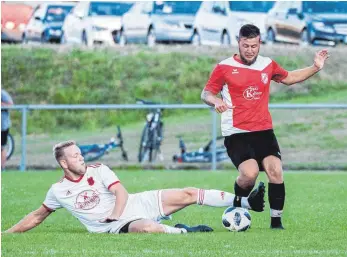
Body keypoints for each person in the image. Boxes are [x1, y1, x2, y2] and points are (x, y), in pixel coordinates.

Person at [201, 24, 329, 229]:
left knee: (275, 171)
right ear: (238, 43)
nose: (250, 50)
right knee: (250, 174)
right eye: (245, 45)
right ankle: (239, 204)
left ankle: (276, 223)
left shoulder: (267, 64)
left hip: (263, 131)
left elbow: (290, 78)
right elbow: (206, 93)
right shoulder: (224, 67)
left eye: (254, 45)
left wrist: (315, 67)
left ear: (259, 43)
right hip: (237, 132)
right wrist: (215, 101)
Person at [4, 140, 265, 234]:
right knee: (147, 228)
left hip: (134, 204)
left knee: (187, 192)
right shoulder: (58, 191)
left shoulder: (98, 169)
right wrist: (7, 233)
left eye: (80, 153)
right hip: (114, 226)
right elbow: (37, 216)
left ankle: (244, 203)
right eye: (74, 156)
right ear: (63, 163)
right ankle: (185, 232)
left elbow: (121, 193)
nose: (80, 157)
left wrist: (117, 211)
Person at [1, 89, 14, 170]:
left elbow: (10, 105)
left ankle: (2, 167)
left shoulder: (2, 93)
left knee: (2, 147)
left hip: (2, 126)